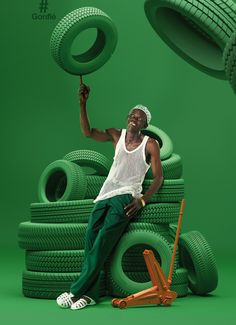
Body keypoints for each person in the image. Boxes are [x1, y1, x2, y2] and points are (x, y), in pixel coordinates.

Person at [56, 81, 163, 310]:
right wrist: (82, 104)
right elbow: (87, 132)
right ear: (127, 118)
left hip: (126, 197)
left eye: (140, 117)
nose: (135, 118)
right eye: (133, 115)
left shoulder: (150, 144)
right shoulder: (116, 135)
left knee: (103, 241)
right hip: (104, 195)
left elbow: (158, 178)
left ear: (146, 124)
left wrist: (142, 200)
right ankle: (91, 295)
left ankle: (75, 290)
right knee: (91, 243)